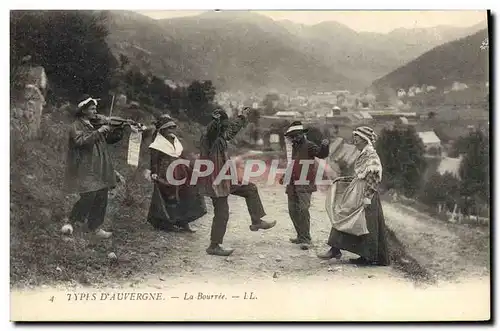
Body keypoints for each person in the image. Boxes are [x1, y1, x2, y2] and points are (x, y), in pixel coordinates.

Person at [199, 107, 276, 256]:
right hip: (215, 183)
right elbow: (213, 129)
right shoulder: (210, 137)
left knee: (250, 189)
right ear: (219, 125)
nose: (227, 128)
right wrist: (217, 121)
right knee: (222, 213)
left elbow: (231, 131)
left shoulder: (221, 136)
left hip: (226, 179)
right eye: (224, 125)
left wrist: (241, 117)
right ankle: (214, 246)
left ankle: (256, 221)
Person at [318, 126, 390, 266]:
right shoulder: (364, 154)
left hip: (365, 194)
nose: (354, 142)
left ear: (365, 140)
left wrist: (367, 197)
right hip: (358, 191)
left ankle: (366, 257)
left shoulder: (371, 156)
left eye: (356, 139)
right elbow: (360, 175)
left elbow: (373, 177)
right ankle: (336, 249)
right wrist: (343, 179)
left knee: (363, 224)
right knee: (347, 217)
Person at [62, 95, 124, 238]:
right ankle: (71, 222)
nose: (95, 111)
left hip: (99, 166)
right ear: (83, 110)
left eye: (95, 108)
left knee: (102, 195)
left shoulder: (94, 125)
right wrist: (99, 131)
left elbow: (108, 139)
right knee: (88, 195)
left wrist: (119, 131)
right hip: (85, 166)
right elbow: (80, 141)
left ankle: (95, 227)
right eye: (92, 108)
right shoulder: (76, 126)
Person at [147, 114, 207, 232]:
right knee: (170, 196)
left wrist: (192, 166)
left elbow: (182, 155)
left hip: (181, 170)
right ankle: (168, 222)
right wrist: (154, 172)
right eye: (168, 128)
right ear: (162, 130)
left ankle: (183, 221)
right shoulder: (157, 144)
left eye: (172, 128)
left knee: (187, 192)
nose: (171, 131)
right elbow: (154, 160)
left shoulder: (175, 140)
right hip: (166, 173)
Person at [280, 121, 330, 249]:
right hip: (292, 183)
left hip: (304, 183)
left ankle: (306, 239)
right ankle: (300, 236)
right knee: (292, 210)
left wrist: (325, 146)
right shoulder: (292, 147)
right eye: (292, 135)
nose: (295, 137)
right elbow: (291, 164)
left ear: (302, 134)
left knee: (303, 209)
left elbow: (322, 154)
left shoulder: (309, 146)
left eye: (297, 135)